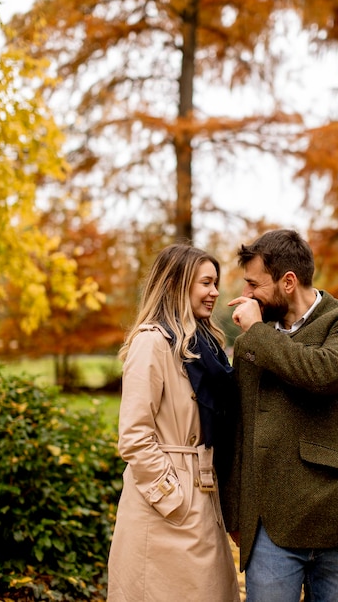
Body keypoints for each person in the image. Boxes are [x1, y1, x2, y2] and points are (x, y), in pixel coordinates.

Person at [222, 229, 338, 602]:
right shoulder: (251, 343)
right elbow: (238, 428)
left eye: (253, 285)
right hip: (268, 527)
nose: (246, 296)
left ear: (288, 282)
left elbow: (322, 373)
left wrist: (258, 333)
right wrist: (235, 514)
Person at [107, 243, 240, 602]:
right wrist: (172, 497)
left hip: (203, 494)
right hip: (165, 506)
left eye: (216, 283)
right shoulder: (152, 342)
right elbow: (134, 436)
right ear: (176, 285)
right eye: (206, 283)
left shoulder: (207, 345)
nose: (215, 292)